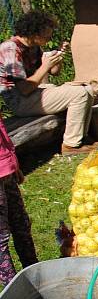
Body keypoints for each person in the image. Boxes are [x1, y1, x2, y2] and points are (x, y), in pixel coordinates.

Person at [0, 11, 98, 155]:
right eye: (47, 34)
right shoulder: (10, 49)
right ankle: (71, 145)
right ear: (34, 32)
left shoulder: (33, 46)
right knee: (79, 94)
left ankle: (81, 137)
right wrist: (45, 66)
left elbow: (54, 72)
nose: (50, 37)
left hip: (33, 92)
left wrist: (58, 56)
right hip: (20, 100)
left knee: (87, 89)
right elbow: (24, 89)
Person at [0, 115, 37, 285]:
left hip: (6, 170)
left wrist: (13, 163)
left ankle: (36, 275)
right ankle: (15, 289)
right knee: (1, 239)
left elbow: (2, 132)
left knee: (21, 224)